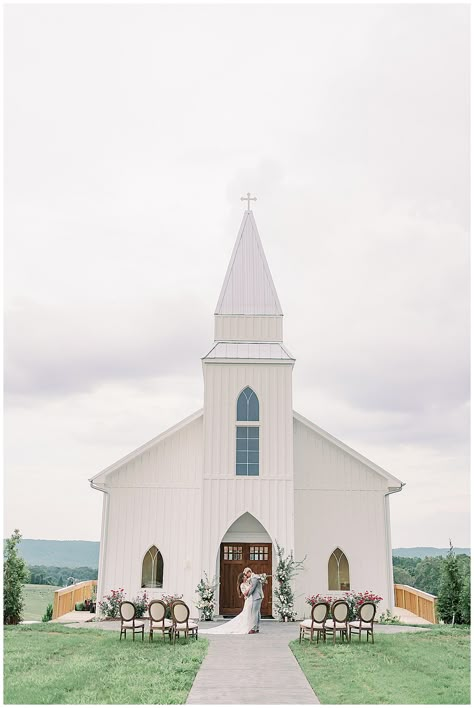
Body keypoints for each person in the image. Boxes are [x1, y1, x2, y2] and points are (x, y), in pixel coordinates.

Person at [244, 566, 264, 634]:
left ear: (249, 572)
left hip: (257, 596)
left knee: (254, 612)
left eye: (246, 574)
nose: (246, 576)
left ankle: (253, 628)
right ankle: (257, 627)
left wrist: (247, 595)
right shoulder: (255, 577)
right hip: (259, 596)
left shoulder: (254, 578)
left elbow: (253, 588)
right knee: (257, 612)